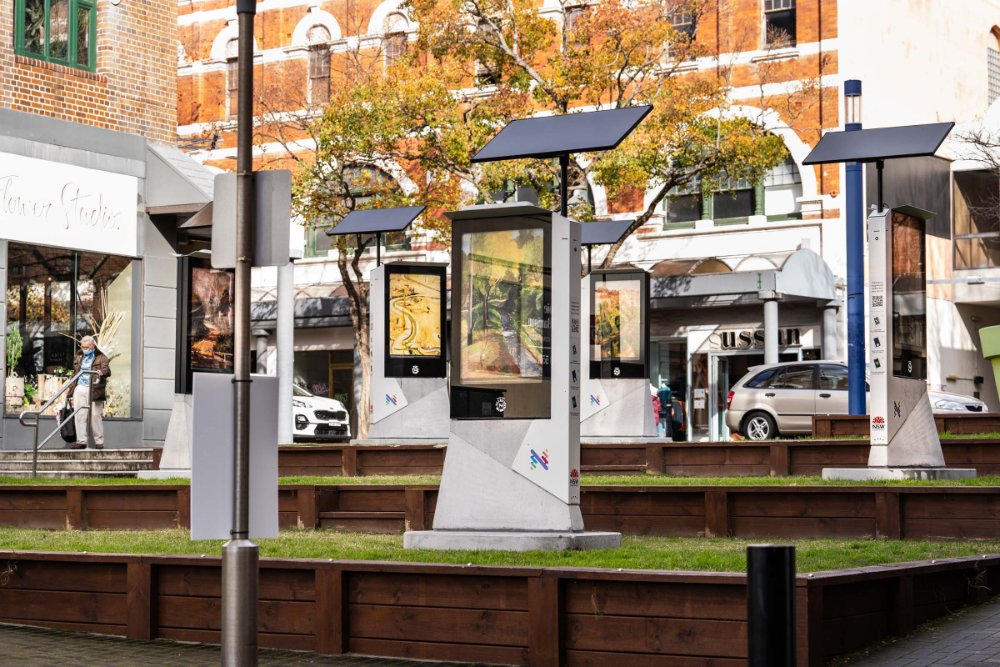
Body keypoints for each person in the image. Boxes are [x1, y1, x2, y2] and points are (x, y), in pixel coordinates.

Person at [67, 335, 110, 450]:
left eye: (87, 347)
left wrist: (101, 371)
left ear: (92, 346)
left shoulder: (101, 357)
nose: (84, 348)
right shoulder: (78, 355)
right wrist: (70, 388)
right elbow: (75, 373)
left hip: (94, 388)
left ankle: (99, 441)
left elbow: (107, 370)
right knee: (79, 415)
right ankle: (81, 441)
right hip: (80, 387)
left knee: (95, 415)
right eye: (82, 346)